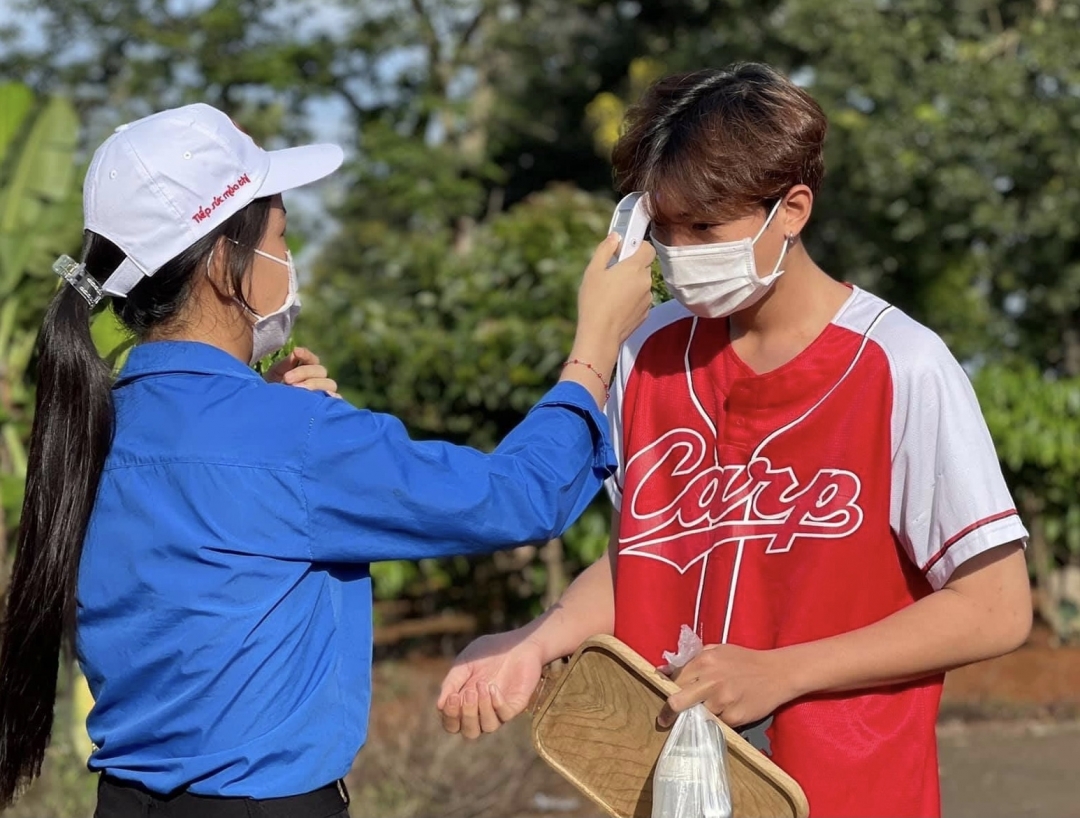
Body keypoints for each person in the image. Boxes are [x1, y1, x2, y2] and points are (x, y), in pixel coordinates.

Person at [0, 103, 655, 818]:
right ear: (225, 262)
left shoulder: (95, 423)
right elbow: (517, 498)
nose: (289, 260)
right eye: (281, 236)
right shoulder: (294, 436)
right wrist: (595, 348)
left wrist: (268, 411)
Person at [437, 63, 1033, 818]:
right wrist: (534, 640)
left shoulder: (901, 365)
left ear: (792, 209)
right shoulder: (642, 352)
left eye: (706, 228)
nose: (681, 253)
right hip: (664, 788)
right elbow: (644, 556)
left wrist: (784, 671)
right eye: (665, 228)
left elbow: (997, 606)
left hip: (847, 791)